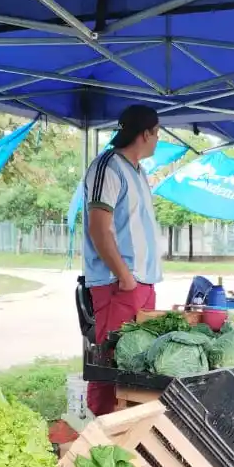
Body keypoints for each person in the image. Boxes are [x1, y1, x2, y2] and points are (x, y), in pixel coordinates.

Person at [82, 103, 164, 415]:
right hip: (119, 284)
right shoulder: (108, 167)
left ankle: (129, 427)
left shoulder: (139, 172)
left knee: (139, 362)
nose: (157, 140)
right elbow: (98, 228)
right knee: (111, 362)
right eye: (157, 134)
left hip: (141, 282)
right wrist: (125, 277)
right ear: (146, 133)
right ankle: (101, 431)